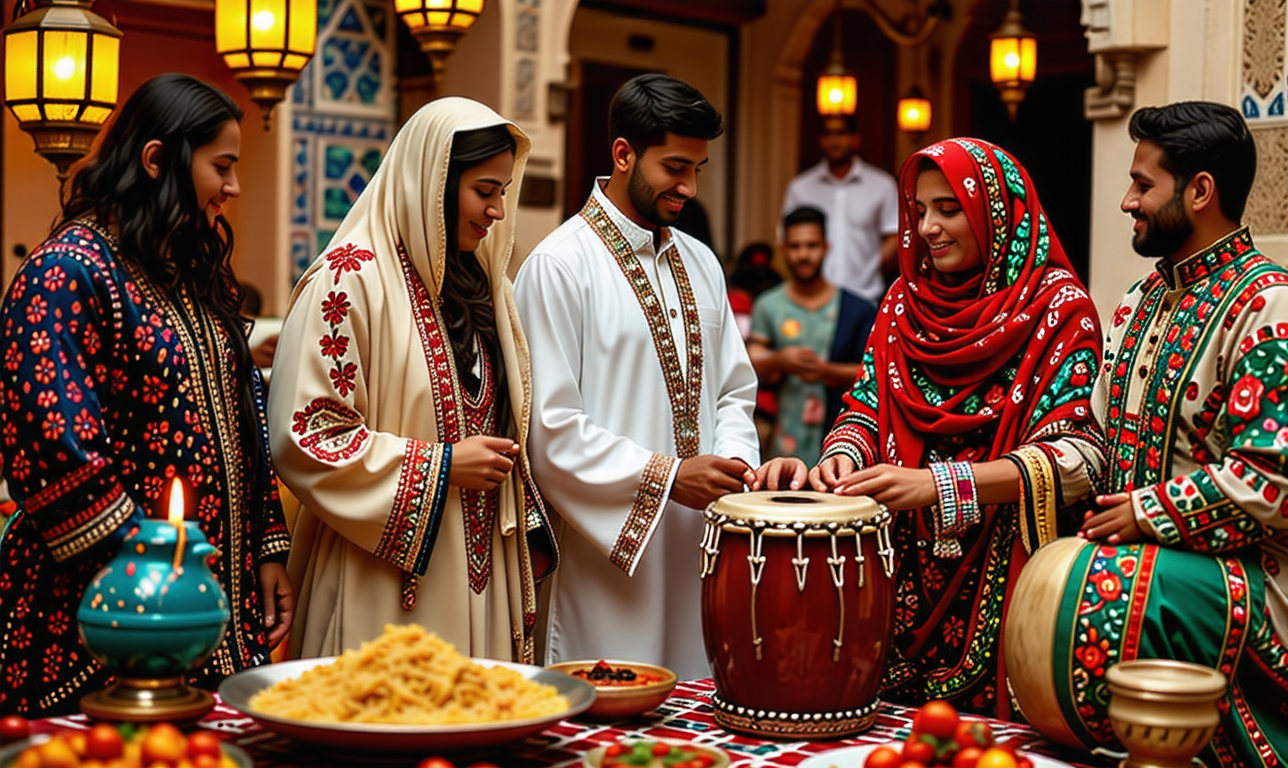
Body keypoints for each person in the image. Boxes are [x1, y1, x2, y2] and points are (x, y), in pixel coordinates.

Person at [754, 138, 1104, 717]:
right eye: (918, 211)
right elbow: (868, 401)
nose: (927, 228)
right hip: (901, 570)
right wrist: (844, 451)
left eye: (948, 209)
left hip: (1005, 568)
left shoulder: (1059, 310)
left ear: (995, 213)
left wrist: (940, 487)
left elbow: (1080, 458)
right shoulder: (902, 302)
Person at [0, 74, 293, 716]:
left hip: (216, 612)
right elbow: (52, 447)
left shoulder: (191, 274)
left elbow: (248, 419)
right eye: (222, 166)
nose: (234, 187)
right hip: (99, 624)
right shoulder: (66, 272)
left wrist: (268, 544)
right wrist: (156, 574)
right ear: (157, 159)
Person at [1068, 102, 1288, 764]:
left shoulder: (1277, 311)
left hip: (1258, 588)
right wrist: (985, 479)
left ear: (1199, 191)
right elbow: (1096, 443)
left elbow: (1274, 487)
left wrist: (1143, 512)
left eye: (1143, 184)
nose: (1128, 201)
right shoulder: (1139, 305)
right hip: (1154, 572)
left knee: (1102, 597)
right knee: (1052, 576)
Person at [268, 98, 556, 664]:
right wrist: (443, 466)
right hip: (378, 576)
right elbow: (306, 435)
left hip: (479, 571)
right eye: (484, 190)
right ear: (435, 183)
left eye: (503, 191)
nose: (498, 210)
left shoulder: (483, 288)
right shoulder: (347, 281)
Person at [515, 74, 759, 679]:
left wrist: (730, 467)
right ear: (623, 154)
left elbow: (733, 389)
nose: (690, 186)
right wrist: (671, 477)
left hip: (702, 542)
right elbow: (548, 428)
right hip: (609, 560)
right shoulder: (558, 265)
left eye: (699, 168)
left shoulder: (701, 261)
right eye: (675, 167)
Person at [748, 206, 877, 463]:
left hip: (842, 443)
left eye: (812, 246)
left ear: (826, 248)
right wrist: (779, 360)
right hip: (783, 442)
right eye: (795, 247)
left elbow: (875, 375)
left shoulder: (857, 309)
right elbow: (748, 363)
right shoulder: (768, 304)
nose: (803, 255)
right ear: (783, 249)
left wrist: (827, 371)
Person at [780, 114, 901, 303]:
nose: (834, 141)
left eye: (841, 133)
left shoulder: (882, 185)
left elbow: (894, 236)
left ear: (855, 139)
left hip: (866, 295)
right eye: (828, 134)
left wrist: (869, 266)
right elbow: (786, 238)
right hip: (812, 298)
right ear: (820, 140)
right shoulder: (800, 188)